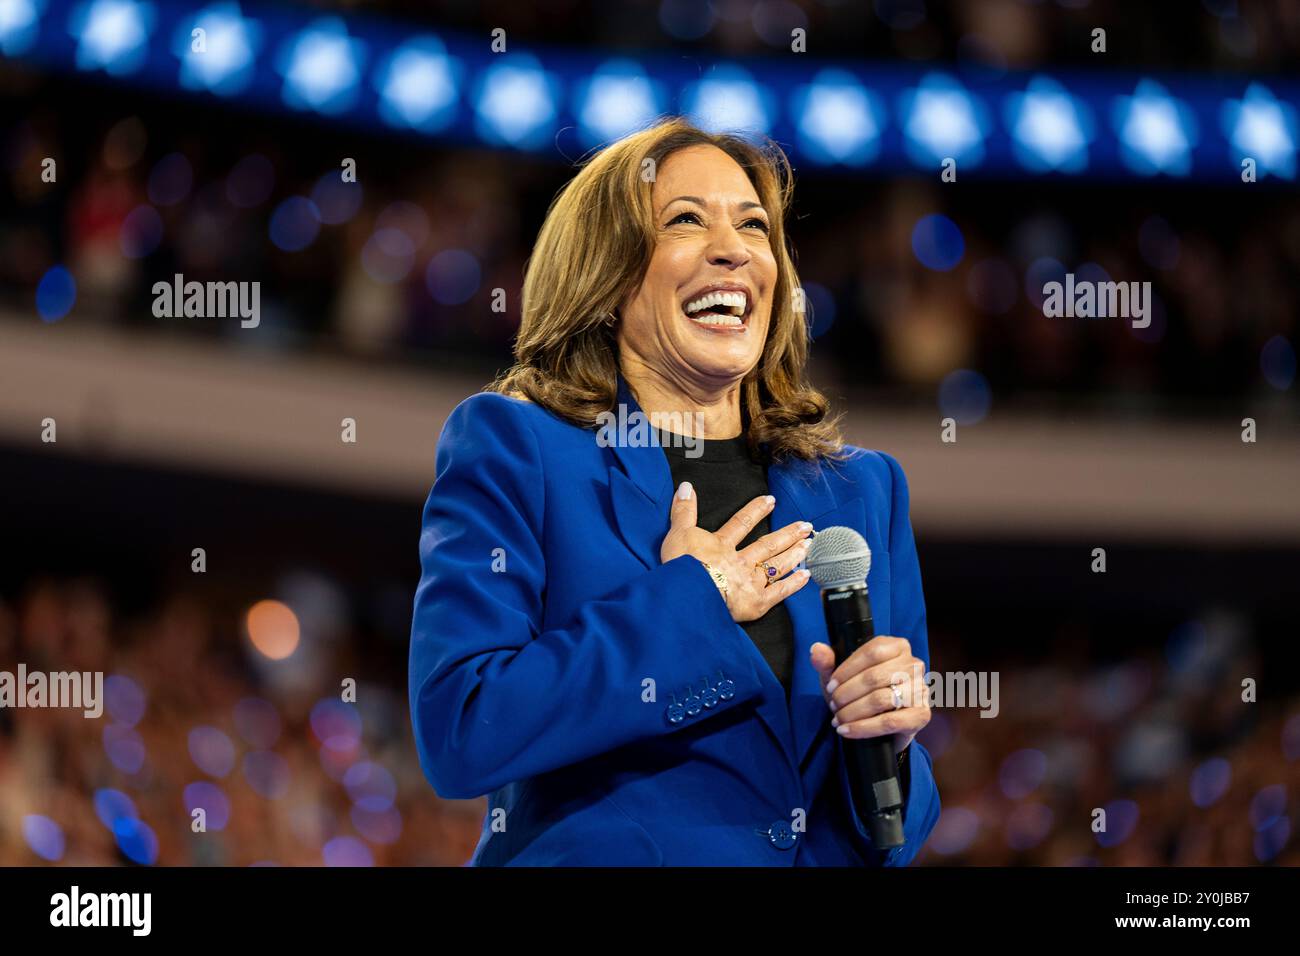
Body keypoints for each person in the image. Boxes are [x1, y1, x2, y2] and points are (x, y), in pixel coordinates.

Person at [409, 117, 939, 865]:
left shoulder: (862, 491)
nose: (734, 248)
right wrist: (691, 606)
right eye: (686, 220)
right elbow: (462, 729)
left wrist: (892, 739)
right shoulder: (520, 448)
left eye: (755, 227)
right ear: (608, 271)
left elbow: (892, 830)